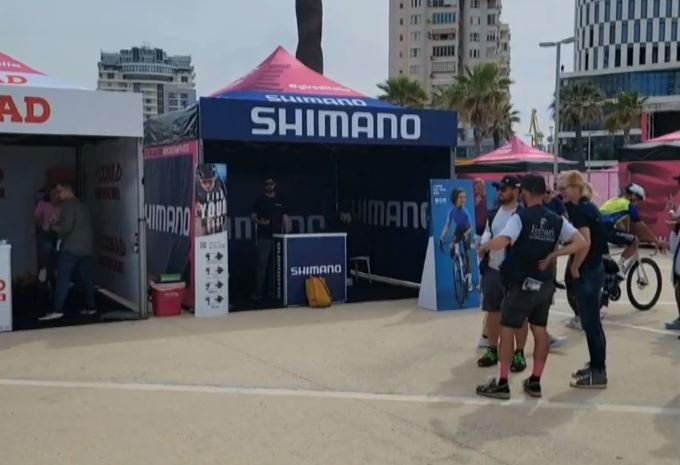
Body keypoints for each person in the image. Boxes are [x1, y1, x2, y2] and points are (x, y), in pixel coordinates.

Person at [476, 174, 587, 399]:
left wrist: (485, 247)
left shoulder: (520, 217)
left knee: (507, 329)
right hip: (544, 284)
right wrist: (554, 254)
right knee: (540, 330)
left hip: (521, 283)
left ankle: (502, 382)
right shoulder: (557, 219)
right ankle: (535, 381)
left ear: (525, 192)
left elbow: (504, 240)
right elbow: (581, 242)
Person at [559, 171, 609, 388]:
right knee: (592, 323)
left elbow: (585, 242)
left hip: (588, 271)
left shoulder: (581, 210)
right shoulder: (588, 207)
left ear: (574, 187)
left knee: (590, 323)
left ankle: (598, 371)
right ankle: (597, 365)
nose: (561, 193)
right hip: (595, 269)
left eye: (563, 189)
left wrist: (575, 266)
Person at [477, 175, 530, 372]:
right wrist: (483, 245)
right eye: (499, 188)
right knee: (492, 312)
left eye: (504, 189)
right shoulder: (493, 214)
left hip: (515, 273)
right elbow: (487, 233)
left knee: (519, 315)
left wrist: (487, 246)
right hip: (492, 270)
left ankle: (519, 353)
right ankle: (493, 349)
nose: (500, 192)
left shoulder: (524, 215)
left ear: (516, 191)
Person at [39, 181, 96, 321]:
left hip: (71, 248)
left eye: (59, 191)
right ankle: (91, 307)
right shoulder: (83, 205)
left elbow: (66, 227)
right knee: (87, 280)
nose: (57, 195)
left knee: (62, 279)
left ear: (67, 191)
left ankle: (57, 309)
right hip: (86, 248)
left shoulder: (68, 205)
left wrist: (51, 226)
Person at [600, 183, 667, 275]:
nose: (637, 203)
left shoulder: (615, 200)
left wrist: (625, 234)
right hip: (606, 230)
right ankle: (619, 266)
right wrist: (656, 241)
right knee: (634, 240)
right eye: (638, 199)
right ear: (632, 195)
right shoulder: (628, 205)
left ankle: (609, 277)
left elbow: (618, 222)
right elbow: (641, 226)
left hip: (597, 230)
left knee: (606, 261)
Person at [251, 176, 289, 300]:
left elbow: (285, 217)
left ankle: (272, 291)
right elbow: (253, 216)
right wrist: (261, 222)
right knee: (262, 264)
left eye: (271, 183)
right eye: (267, 184)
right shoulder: (260, 200)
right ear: (264, 186)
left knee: (276, 265)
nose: (269, 186)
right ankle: (259, 291)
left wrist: (287, 233)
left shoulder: (280, 199)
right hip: (264, 237)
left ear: (274, 185)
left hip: (278, 237)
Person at [439, 189, 473, 292]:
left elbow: (471, 227)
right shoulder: (451, 211)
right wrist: (441, 237)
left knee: (467, 253)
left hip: (467, 231)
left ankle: (469, 280)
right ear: (455, 199)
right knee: (451, 249)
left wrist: (466, 234)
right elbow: (447, 225)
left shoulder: (465, 212)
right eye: (461, 197)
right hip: (458, 230)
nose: (463, 199)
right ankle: (459, 263)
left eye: (464, 197)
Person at [34, 186, 60, 283]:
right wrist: (40, 222)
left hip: (59, 232)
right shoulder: (43, 203)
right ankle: (43, 268)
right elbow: (36, 217)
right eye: (52, 193)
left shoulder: (62, 205)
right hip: (46, 231)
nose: (54, 195)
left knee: (59, 251)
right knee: (47, 246)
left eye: (56, 193)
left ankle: (56, 272)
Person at [473, 178, 488, 247]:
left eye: (479, 188)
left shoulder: (487, 198)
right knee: (475, 246)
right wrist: (476, 204)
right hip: (477, 228)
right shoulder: (473, 198)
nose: (477, 191)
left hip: (487, 227)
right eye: (476, 189)